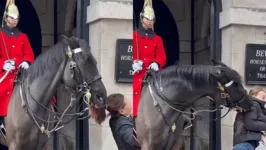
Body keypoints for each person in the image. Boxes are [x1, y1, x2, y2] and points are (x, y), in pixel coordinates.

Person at [132, 0, 166, 118]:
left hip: (152, 72)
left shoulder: (158, 39)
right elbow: (130, 52)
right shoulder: (134, 36)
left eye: (152, 18)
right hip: (138, 73)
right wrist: (133, 63)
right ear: (142, 18)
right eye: (148, 18)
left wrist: (157, 62)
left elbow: (162, 56)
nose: (150, 21)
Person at [0, 1, 34, 117]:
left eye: (17, 18)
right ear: (6, 17)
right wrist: (3, 64)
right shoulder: (0, 35)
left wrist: (26, 61)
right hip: (5, 74)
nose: (15, 20)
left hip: (21, 73)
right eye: (12, 17)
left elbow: (28, 53)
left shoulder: (22, 36)